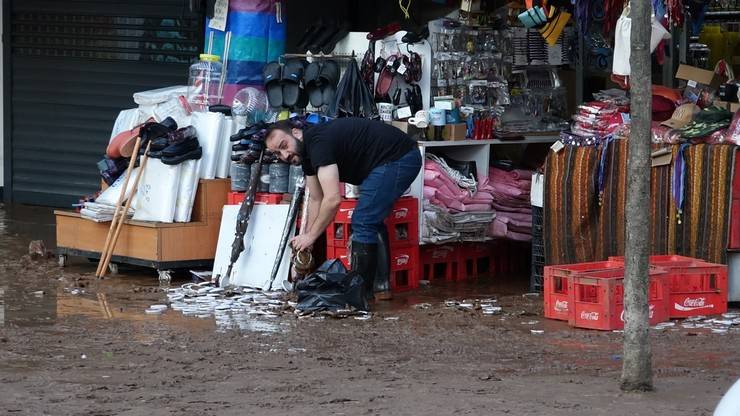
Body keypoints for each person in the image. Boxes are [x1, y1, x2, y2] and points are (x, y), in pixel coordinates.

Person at [265, 117, 422, 301]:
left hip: (399, 157)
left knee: (363, 220)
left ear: (296, 133)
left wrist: (311, 235)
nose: (284, 155)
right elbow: (316, 198)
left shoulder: (318, 143)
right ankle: (380, 288)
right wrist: (308, 238)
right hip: (389, 161)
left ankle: (359, 295)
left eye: (284, 145)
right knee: (370, 220)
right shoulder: (307, 153)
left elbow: (332, 199)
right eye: (277, 153)